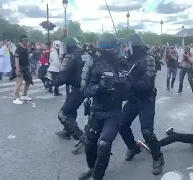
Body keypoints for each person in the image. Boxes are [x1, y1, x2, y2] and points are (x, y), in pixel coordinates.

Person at [79, 33, 130, 180]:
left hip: (114, 111)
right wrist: (99, 87)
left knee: (104, 144)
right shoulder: (93, 62)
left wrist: (123, 86)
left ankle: (97, 176)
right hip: (96, 110)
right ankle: (91, 167)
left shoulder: (123, 63)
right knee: (89, 142)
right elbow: (84, 89)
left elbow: (128, 91)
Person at [119, 33, 164, 175]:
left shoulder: (148, 59)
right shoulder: (128, 60)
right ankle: (133, 147)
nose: (126, 49)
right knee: (121, 124)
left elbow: (147, 86)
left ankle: (158, 157)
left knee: (147, 131)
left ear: (135, 47)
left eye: (128, 46)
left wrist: (129, 80)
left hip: (146, 100)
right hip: (132, 99)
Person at [55, 37, 88, 141]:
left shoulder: (70, 56)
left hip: (77, 88)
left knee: (63, 113)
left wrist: (52, 83)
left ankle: (80, 137)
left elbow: (63, 76)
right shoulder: (85, 53)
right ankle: (67, 131)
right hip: (87, 87)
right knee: (71, 109)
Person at [12, 34, 33, 105]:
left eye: (27, 39)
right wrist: (17, 68)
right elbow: (16, 59)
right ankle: (16, 98)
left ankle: (24, 95)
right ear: (22, 40)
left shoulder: (26, 48)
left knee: (28, 81)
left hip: (25, 66)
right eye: (25, 40)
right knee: (19, 83)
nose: (27, 41)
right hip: (20, 67)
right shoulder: (18, 49)